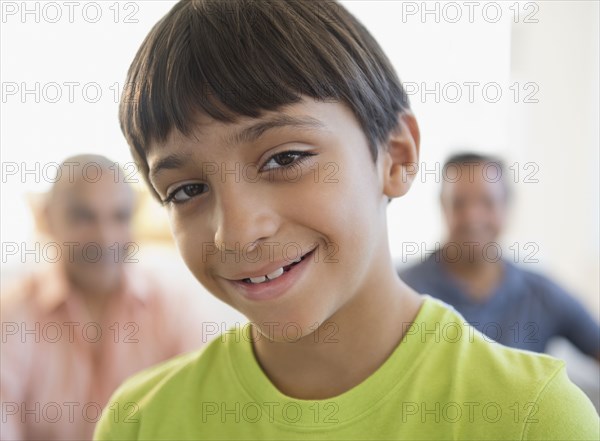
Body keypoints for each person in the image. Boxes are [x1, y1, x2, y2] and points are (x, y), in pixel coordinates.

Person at [94, 1, 599, 439]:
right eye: (187, 190)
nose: (238, 232)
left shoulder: (533, 418)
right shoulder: (140, 422)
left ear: (396, 156)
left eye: (285, 158)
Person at [1, 154, 207, 440]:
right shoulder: (10, 315)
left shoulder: (173, 308)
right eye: (84, 217)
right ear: (47, 217)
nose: (105, 237)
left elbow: (193, 420)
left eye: (119, 217)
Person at [400, 152, 600, 360]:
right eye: (459, 203)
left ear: (506, 207)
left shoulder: (541, 293)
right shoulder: (404, 289)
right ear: (443, 206)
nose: (472, 216)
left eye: (487, 202)